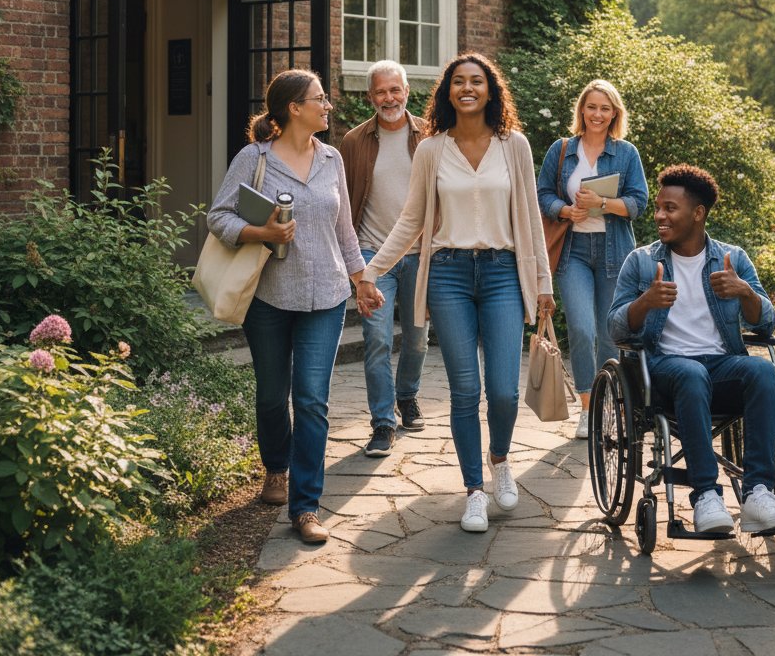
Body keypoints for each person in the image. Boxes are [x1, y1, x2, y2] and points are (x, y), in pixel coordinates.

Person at [357, 53, 555, 533]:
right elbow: (411, 219)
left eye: (477, 81)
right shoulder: (431, 149)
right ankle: (472, 490)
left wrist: (544, 283)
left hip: (504, 272)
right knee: (465, 390)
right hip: (446, 273)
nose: (468, 88)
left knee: (504, 391)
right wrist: (370, 271)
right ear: (447, 91)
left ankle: (501, 460)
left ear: (491, 90)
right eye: (459, 82)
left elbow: (530, 217)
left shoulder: (515, 146)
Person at [205, 68, 382, 545]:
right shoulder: (253, 158)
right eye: (320, 100)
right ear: (293, 108)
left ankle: (305, 507)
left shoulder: (332, 159)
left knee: (311, 400)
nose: (328, 106)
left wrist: (361, 280)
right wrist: (262, 233)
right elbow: (218, 215)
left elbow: (346, 231)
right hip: (269, 297)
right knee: (270, 395)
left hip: (325, 296)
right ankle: (275, 468)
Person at [607, 164, 775, 534]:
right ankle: (706, 496)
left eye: (670, 208)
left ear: (698, 213)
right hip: (664, 368)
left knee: (763, 371)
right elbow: (615, 327)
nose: (660, 216)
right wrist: (645, 302)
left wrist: (745, 293)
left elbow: (767, 324)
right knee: (690, 372)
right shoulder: (642, 261)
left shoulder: (733, 258)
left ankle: (758, 494)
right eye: (659, 207)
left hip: (722, 365)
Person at [537, 79, 648, 439]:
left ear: (614, 113)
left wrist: (600, 204)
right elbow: (542, 195)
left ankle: (606, 405)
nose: (597, 114)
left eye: (605, 108)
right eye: (592, 107)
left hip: (615, 253)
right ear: (581, 110)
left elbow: (638, 203)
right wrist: (566, 211)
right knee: (582, 330)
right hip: (574, 253)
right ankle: (586, 408)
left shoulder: (626, 152)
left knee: (608, 333)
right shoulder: (562, 148)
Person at [340, 59, 429, 458]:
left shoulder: (430, 136)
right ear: (370, 96)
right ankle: (382, 422)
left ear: (406, 92)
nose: (388, 98)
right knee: (377, 340)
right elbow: (342, 207)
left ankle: (406, 396)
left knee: (417, 339)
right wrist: (354, 266)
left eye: (395, 90)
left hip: (421, 253)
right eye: (380, 91)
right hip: (374, 256)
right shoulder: (354, 142)